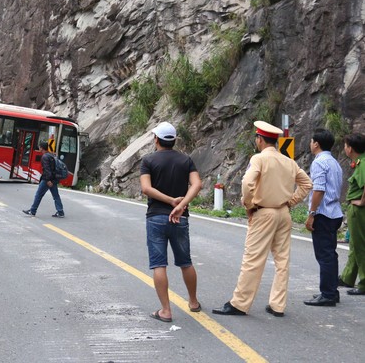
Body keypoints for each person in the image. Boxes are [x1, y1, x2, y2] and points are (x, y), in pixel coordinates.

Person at [213, 121, 312, 317]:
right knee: (282, 260)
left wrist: (249, 205)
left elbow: (247, 182)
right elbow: (307, 184)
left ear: (259, 139)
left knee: (253, 259)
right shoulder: (288, 161)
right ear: (275, 142)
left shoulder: (258, 159)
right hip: (283, 213)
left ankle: (240, 303)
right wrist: (290, 202)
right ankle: (278, 305)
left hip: (263, 212)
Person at [139, 121, 202, 322]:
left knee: (159, 265)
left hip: (156, 217)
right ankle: (193, 302)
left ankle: (166, 310)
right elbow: (197, 184)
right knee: (185, 262)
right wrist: (181, 204)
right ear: (174, 140)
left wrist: (169, 201)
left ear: (156, 139)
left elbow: (146, 189)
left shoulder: (148, 160)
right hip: (180, 218)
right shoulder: (186, 160)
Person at [303, 129, 343, 307]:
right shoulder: (335, 162)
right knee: (330, 254)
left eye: (311, 141)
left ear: (316, 143)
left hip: (324, 214)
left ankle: (327, 294)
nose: (310, 144)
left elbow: (318, 190)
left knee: (324, 255)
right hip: (335, 212)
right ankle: (332, 291)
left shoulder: (319, 162)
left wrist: (311, 214)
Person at [339, 133, 365, 296]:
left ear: (351, 148)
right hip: (356, 209)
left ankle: (363, 283)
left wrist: (362, 202)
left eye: (346, 145)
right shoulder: (360, 161)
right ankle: (348, 277)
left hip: (359, 210)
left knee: (360, 246)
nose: (344, 148)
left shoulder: (362, 163)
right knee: (355, 245)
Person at [22, 140, 65, 218]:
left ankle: (32, 211)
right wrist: (53, 181)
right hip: (53, 179)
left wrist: (48, 180)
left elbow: (47, 169)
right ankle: (60, 212)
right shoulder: (51, 155)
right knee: (56, 196)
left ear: (41, 148)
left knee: (38, 195)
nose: (39, 148)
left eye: (40, 147)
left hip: (46, 180)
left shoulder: (45, 157)